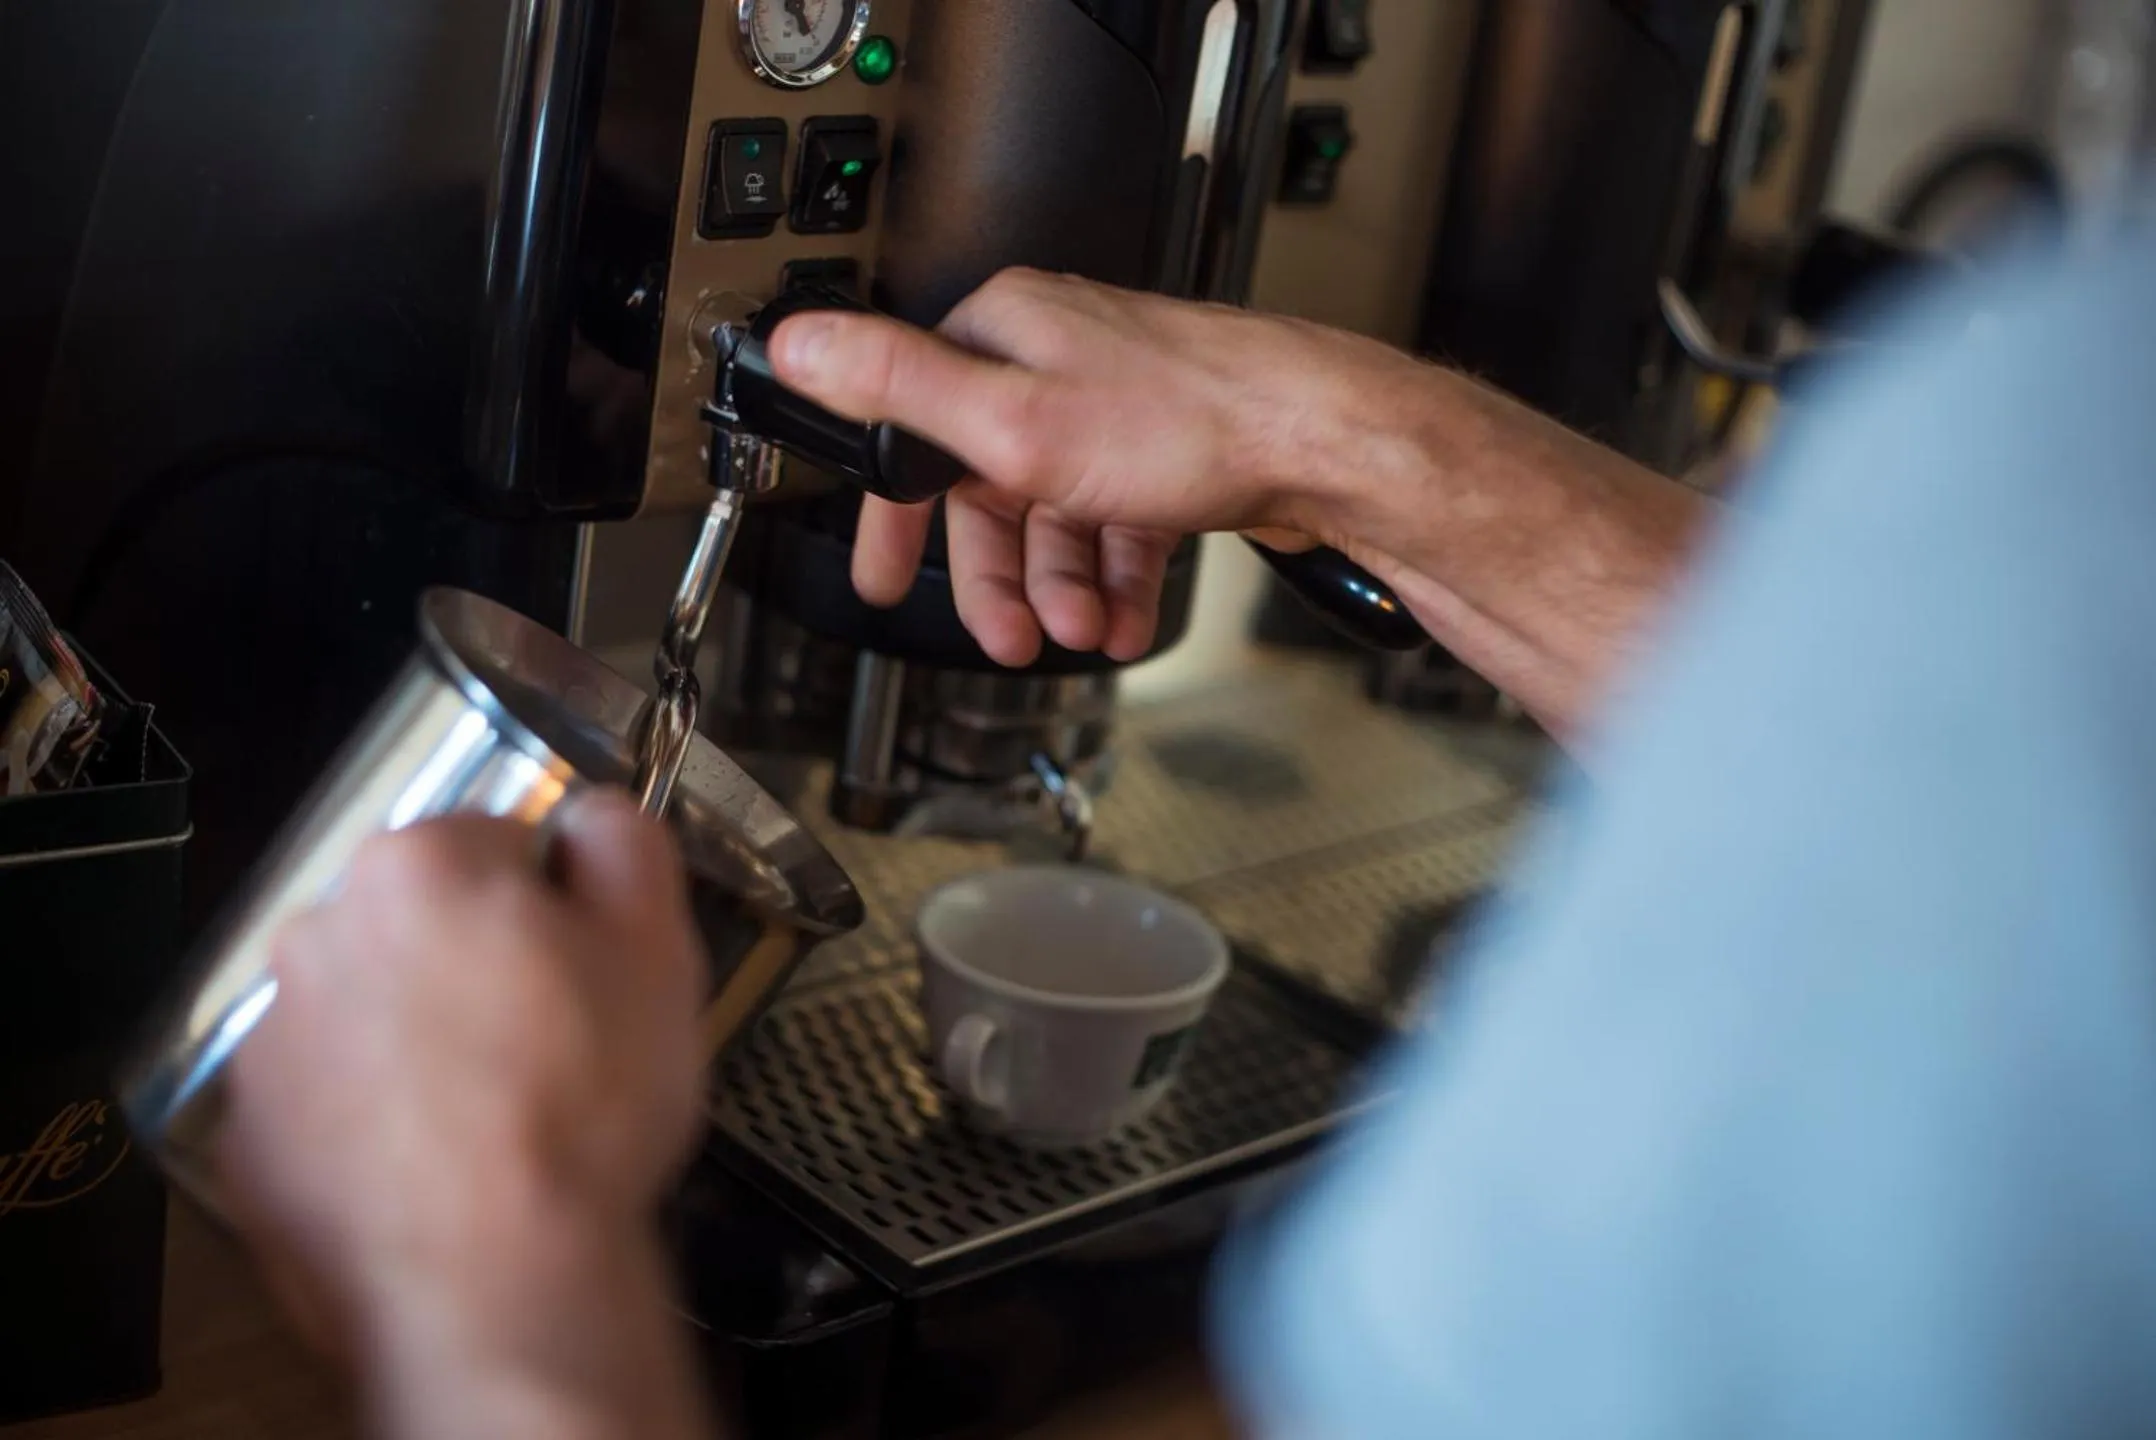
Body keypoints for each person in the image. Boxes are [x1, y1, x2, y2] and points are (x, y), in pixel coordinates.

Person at [218, 243, 2156, 1439]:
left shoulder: (2038, 437)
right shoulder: (2062, 436)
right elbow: (1912, 721)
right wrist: (1342, 445)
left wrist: (494, 1261)